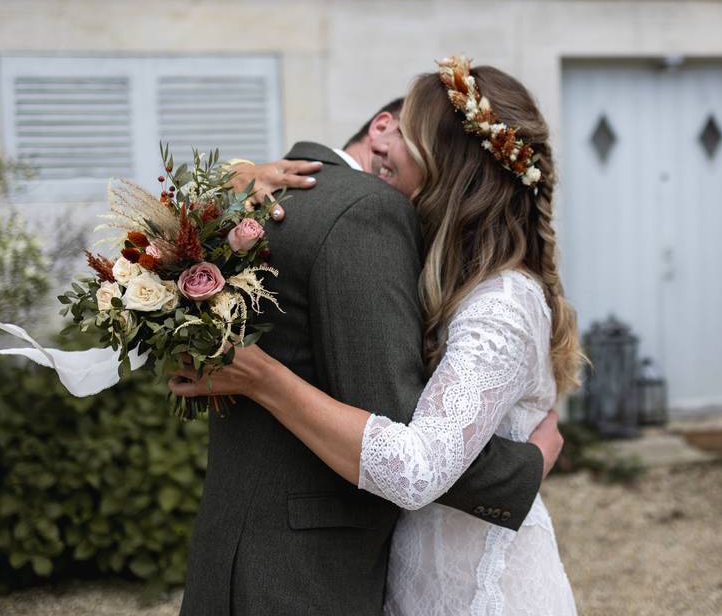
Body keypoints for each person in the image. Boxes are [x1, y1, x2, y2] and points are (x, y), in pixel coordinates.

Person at [173, 72, 567, 615]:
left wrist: (264, 378)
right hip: (347, 571)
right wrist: (525, 466)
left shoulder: (499, 301)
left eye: (414, 141)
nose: (391, 164)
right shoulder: (333, 207)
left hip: (472, 585)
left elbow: (413, 456)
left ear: (451, 172)